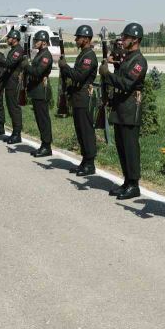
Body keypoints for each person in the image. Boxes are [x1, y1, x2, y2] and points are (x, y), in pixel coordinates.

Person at [100, 23, 147, 199]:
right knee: (121, 146)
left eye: (125, 37)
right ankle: (127, 180)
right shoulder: (128, 58)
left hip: (130, 108)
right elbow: (120, 77)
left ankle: (134, 184)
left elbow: (127, 83)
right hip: (120, 105)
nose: (122, 40)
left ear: (135, 39)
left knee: (130, 146)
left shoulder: (139, 61)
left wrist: (107, 75)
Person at [59, 25, 98, 176]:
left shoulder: (89, 56)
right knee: (80, 131)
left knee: (86, 131)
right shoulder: (83, 54)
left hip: (84, 98)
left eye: (78, 37)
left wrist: (65, 67)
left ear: (86, 39)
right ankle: (85, 160)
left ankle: (90, 163)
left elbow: (79, 76)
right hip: (77, 97)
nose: (76, 39)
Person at [23, 31, 54, 157]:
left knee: (43, 120)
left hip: (41, 91)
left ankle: (47, 146)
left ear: (44, 42)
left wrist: (26, 66)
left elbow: (38, 72)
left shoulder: (46, 55)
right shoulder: (40, 53)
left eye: (37, 40)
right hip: (36, 91)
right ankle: (44, 145)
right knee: (40, 120)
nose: (35, 42)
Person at [0, 29, 26, 144]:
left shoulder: (18, 50)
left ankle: (17, 134)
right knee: (11, 108)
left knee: (14, 109)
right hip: (9, 83)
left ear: (14, 39)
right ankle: (14, 133)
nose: (7, 39)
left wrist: (0, 59)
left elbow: (9, 63)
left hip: (14, 84)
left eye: (9, 38)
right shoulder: (13, 49)